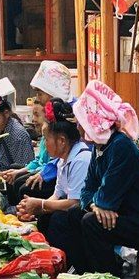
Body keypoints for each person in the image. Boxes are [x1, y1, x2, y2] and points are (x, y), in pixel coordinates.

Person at [43, 80, 139, 275]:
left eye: (81, 122)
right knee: (73, 214)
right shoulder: (100, 147)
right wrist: (95, 205)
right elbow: (87, 191)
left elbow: (106, 198)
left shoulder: (121, 146)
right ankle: (87, 273)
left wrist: (98, 204)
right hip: (122, 213)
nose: (79, 129)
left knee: (91, 222)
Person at [17, 99, 91, 231]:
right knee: (44, 218)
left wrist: (41, 204)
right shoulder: (63, 160)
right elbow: (57, 195)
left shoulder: (81, 159)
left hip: (85, 214)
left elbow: (74, 203)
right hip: (73, 209)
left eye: (46, 138)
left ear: (62, 140)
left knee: (57, 219)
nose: (44, 144)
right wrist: (35, 211)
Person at [0, 102, 57, 206]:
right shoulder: (45, 137)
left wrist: (38, 173)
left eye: (37, 115)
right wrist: (19, 171)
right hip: (42, 169)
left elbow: (51, 164)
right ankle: (13, 207)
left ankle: (22, 210)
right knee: (13, 170)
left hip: (50, 175)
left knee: (20, 184)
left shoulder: (53, 139)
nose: (33, 120)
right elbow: (38, 160)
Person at [0, 91, 34, 175]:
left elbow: (22, 166)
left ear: (6, 113)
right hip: (0, 166)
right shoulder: (2, 127)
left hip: (13, 173)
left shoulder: (18, 135)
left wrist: (2, 174)